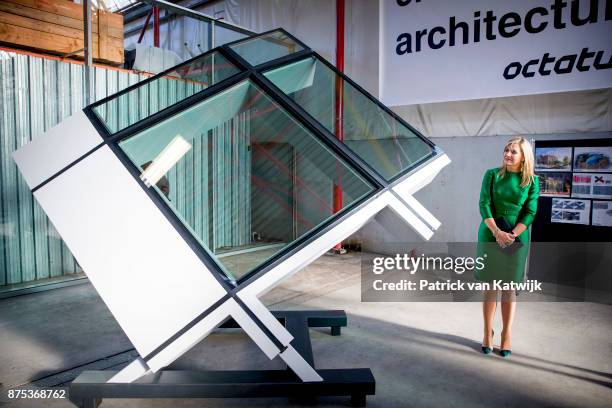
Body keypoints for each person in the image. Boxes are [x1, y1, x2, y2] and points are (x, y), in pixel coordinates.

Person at [475, 137, 539, 357]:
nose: (508, 154)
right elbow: (484, 204)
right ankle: (486, 333)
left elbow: (530, 212)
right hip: (491, 232)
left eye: (513, 151)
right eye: (506, 150)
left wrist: (511, 235)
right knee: (491, 285)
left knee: (509, 287)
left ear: (524, 157)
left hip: (516, 236)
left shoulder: (531, 180)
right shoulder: (492, 175)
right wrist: (497, 233)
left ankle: (506, 335)